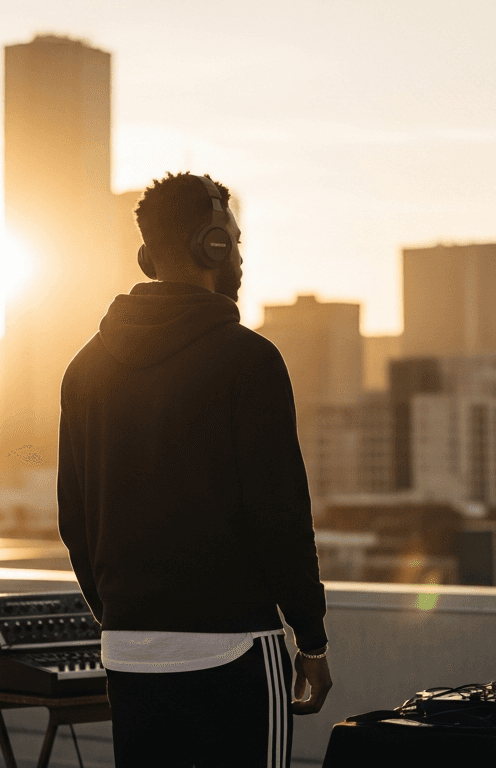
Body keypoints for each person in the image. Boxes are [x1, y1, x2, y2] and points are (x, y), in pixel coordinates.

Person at [57, 172, 332, 767]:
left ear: (146, 254)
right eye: (232, 238)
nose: (239, 252)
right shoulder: (249, 360)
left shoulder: (83, 370)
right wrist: (310, 638)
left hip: (130, 652)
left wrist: (127, 616)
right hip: (233, 647)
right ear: (213, 245)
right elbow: (280, 513)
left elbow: (73, 518)